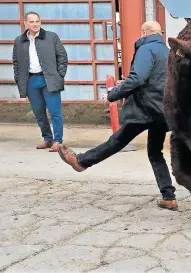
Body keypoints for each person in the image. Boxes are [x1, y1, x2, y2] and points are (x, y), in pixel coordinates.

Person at [57, 21, 178, 211]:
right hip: (163, 110)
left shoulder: (146, 50)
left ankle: (81, 162)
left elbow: (138, 78)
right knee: (155, 153)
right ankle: (168, 197)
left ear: (144, 33)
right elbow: (159, 79)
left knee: (117, 140)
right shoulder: (169, 52)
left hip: (145, 109)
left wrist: (113, 94)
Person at [12, 11, 68, 152]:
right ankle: (47, 139)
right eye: (32, 22)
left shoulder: (51, 37)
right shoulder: (19, 41)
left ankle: (57, 141)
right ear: (25, 23)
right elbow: (16, 62)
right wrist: (19, 79)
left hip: (48, 79)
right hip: (31, 80)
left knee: (55, 111)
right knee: (38, 112)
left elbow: (62, 57)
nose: (35, 24)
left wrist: (59, 75)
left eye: (37, 21)